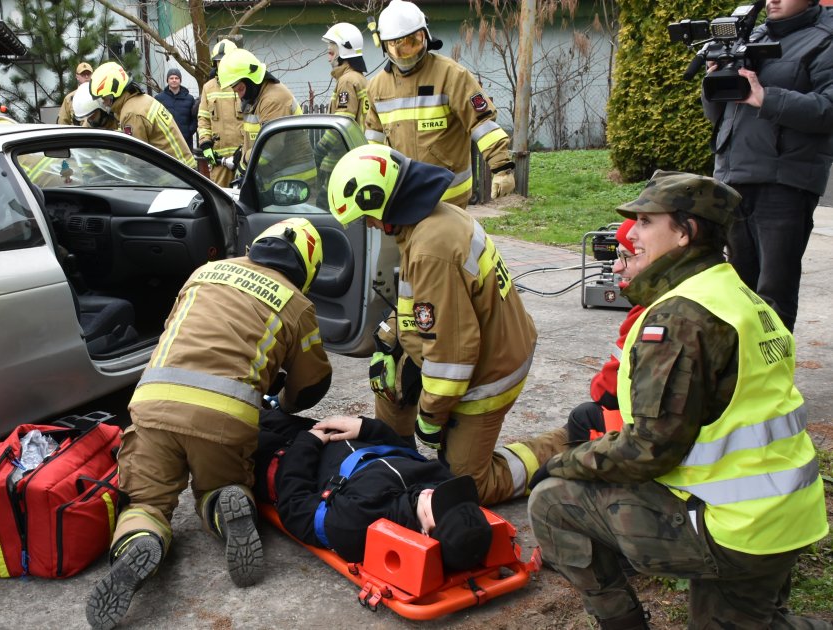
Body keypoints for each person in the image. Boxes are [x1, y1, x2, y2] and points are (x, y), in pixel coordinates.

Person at [529, 171, 828, 630]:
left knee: (551, 501)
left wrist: (562, 462)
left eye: (647, 222)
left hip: (733, 528)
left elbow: (649, 447)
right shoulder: (741, 296)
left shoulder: (679, 316)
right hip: (783, 516)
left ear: (685, 231)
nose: (634, 234)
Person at [85, 218, 333, 630]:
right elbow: (311, 383)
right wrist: (281, 398)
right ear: (308, 265)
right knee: (222, 484)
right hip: (224, 419)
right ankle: (225, 505)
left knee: (145, 500)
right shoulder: (296, 303)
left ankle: (140, 540)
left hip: (153, 404)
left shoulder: (204, 272)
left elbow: (174, 329)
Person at [327, 144, 561, 506]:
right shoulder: (427, 222)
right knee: (387, 376)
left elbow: (453, 353)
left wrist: (431, 419)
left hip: (490, 372)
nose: (369, 226)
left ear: (382, 203)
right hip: (475, 348)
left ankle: (563, 446)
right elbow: (419, 304)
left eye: (366, 217)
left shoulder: (430, 248)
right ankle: (397, 458)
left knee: (465, 484)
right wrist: (388, 342)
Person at [701, 0, 833, 332]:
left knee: (773, 293)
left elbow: (828, 110)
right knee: (737, 291)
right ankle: (741, 375)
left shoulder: (825, 40)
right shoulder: (750, 37)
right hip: (732, 179)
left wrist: (766, 98)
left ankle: (772, 380)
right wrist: (715, 81)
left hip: (784, 183)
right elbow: (720, 113)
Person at [254, 410, 493, 569]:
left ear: (426, 533)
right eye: (450, 497)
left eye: (438, 504)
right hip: (333, 437)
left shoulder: (359, 522)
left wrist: (308, 444)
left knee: (230, 433)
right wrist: (366, 427)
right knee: (256, 410)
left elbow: (294, 506)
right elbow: (405, 452)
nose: (433, 492)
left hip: (287, 459)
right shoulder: (438, 484)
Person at [364, 0, 516, 207]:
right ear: (383, 45)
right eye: (398, 47)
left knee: (445, 240)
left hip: (449, 196)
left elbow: (483, 123)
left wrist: (502, 168)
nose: (407, 52)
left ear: (425, 36)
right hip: (403, 197)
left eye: (413, 42)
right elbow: (373, 141)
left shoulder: (451, 76)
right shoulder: (377, 88)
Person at [567, 220, 644, 443]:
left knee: (583, 417)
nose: (616, 268)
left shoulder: (650, 313)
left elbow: (607, 392)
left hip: (660, 449)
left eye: (625, 257)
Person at [216, 48, 316, 191]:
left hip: (295, 180)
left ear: (252, 81)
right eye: (235, 91)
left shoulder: (273, 100)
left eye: (240, 89)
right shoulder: (256, 98)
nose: (239, 96)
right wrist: (243, 153)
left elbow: (271, 147)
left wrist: (244, 164)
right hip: (277, 177)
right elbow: (253, 137)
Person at [86, 62, 196, 168]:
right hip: (181, 167)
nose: (103, 102)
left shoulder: (131, 114)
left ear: (114, 93)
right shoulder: (140, 100)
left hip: (173, 174)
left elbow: (137, 160)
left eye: (104, 98)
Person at [196, 40, 245, 187]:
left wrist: (247, 149)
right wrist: (205, 145)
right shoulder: (208, 88)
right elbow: (203, 119)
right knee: (221, 198)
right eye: (218, 61)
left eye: (225, 60)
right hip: (219, 160)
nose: (222, 64)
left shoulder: (243, 85)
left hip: (244, 156)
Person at [322, 23, 370, 127]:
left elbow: (342, 125)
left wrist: (324, 143)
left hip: (353, 144)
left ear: (343, 52)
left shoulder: (347, 81)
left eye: (331, 53)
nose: (328, 59)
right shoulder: (359, 78)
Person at [154, 67, 197, 147]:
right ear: (167, 80)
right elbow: (155, 119)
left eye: (176, 78)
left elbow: (195, 118)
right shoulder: (159, 98)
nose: (174, 80)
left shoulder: (189, 99)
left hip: (185, 141)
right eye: (171, 78)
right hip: (166, 141)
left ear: (180, 80)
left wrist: (189, 131)